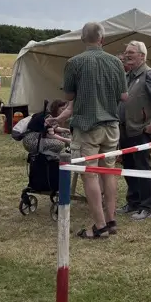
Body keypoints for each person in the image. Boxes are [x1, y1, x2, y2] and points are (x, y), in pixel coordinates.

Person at [47, 22, 128, 239]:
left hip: (87, 126)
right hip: (111, 126)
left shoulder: (75, 63)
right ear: (103, 39)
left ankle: (99, 226)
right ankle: (111, 220)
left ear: (83, 39)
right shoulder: (116, 63)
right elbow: (124, 96)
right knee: (108, 173)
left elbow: (68, 97)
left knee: (90, 175)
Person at [117, 41, 151, 219]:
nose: (127, 55)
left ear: (142, 56)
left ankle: (147, 206)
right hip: (124, 130)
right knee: (129, 166)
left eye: (131, 52)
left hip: (140, 130)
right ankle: (133, 202)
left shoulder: (149, 74)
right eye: (126, 52)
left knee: (142, 167)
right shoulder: (127, 75)